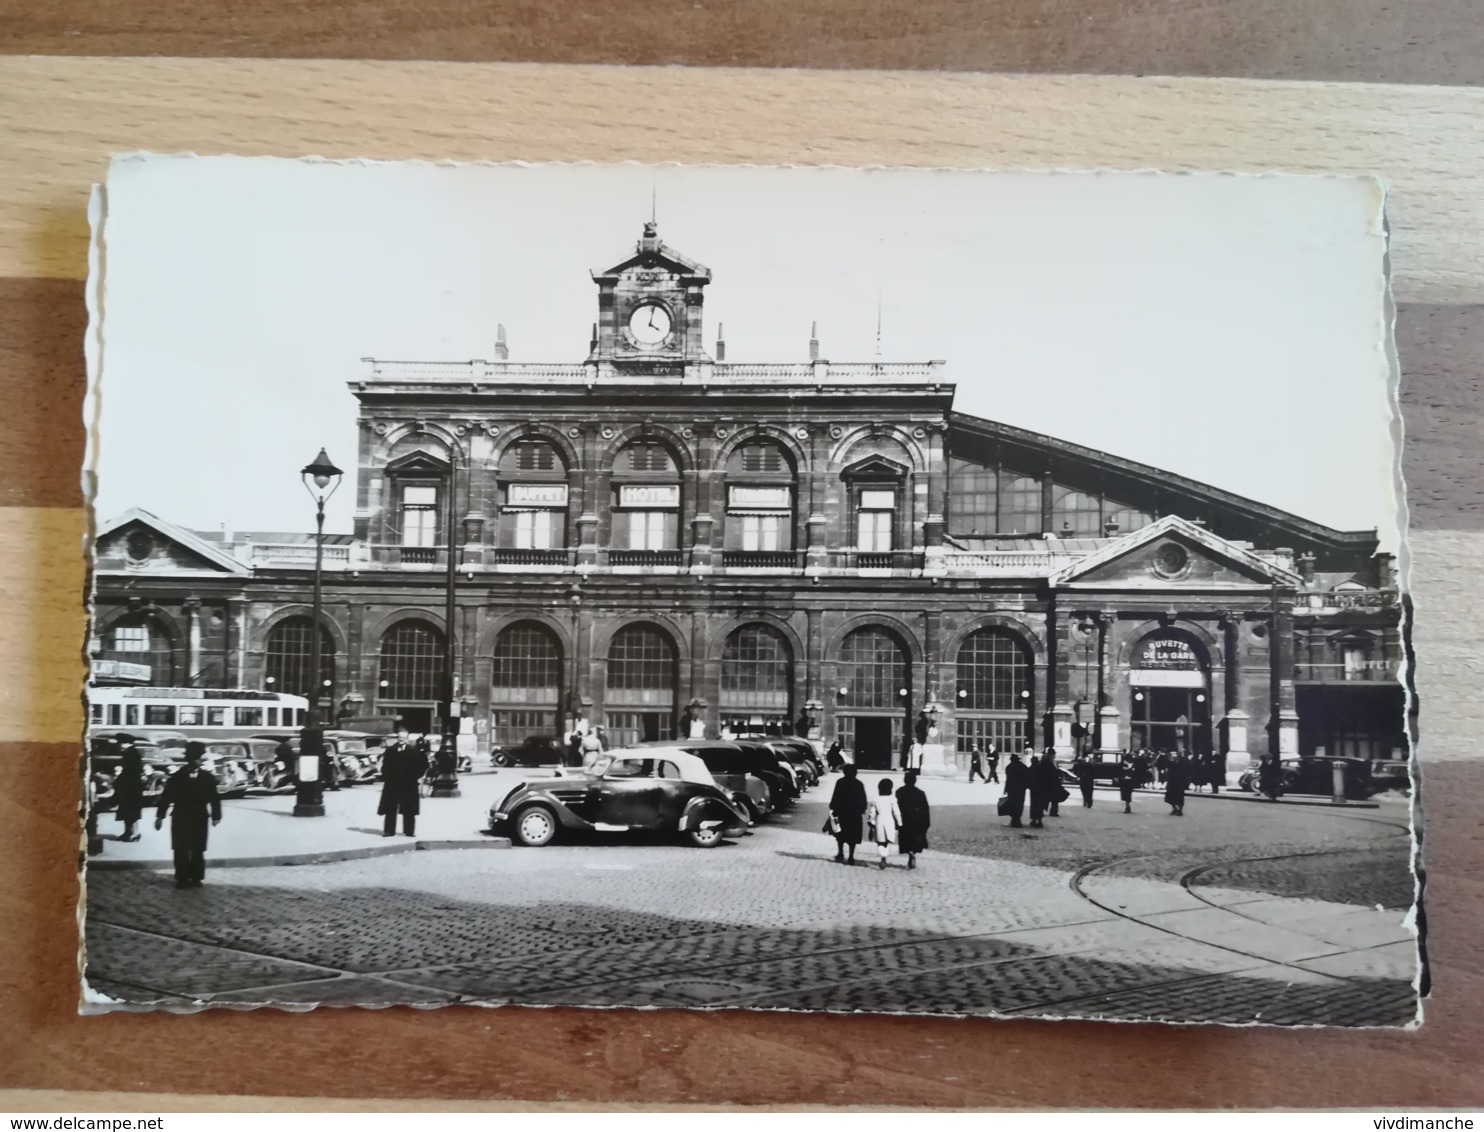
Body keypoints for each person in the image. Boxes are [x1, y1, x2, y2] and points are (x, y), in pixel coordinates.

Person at [154, 741, 221, 888]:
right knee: (180, 848)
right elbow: (166, 796)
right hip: (181, 817)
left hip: (200, 817)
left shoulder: (207, 778)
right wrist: (160, 816)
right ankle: (182, 878)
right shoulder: (178, 777)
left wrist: (216, 816)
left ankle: (197, 877)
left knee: (198, 848)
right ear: (188, 760)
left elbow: (214, 798)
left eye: (199, 759)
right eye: (194, 759)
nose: (197, 762)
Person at [378, 728, 428, 837]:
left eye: (403, 738)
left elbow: (422, 765)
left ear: (407, 739)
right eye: (399, 738)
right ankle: (389, 831)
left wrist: (416, 777)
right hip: (393, 783)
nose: (401, 740)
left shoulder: (413, 751)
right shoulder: (390, 750)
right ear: (397, 738)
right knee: (390, 807)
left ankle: (409, 831)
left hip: (409, 783)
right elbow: (385, 766)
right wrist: (386, 777)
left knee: (409, 808)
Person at [827, 763, 868, 864]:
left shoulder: (840, 782)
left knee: (840, 833)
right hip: (855, 813)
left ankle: (840, 852)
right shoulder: (859, 784)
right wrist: (862, 809)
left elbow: (835, 796)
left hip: (842, 812)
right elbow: (862, 798)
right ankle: (851, 856)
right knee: (853, 836)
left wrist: (833, 807)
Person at [896, 770, 930, 870]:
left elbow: (897, 807)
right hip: (917, 820)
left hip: (904, 819)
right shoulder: (920, 793)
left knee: (905, 839)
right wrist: (926, 823)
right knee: (915, 839)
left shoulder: (899, 792)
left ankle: (909, 852)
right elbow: (925, 809)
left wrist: (896, 822)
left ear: (904, 780)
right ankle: (913, 853)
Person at [113, 734, 145, 842]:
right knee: (128, 811)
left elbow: (130, 772)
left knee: (132, 811)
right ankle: (128, 832)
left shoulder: (130, 754)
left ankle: (134, 833)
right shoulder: (132, 753)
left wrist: (119, 781)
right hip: (132, 786)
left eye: (120, 742)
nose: (119, 745)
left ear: (126, 743)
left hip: (131, 787)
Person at [869, 777, 902, 870]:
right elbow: (896, 812)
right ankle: (884, 856)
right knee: (886, 841)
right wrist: (899, 822)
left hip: (879, 821)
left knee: (880, 841)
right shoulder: (892, 799)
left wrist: (871, 822)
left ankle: (883, 857)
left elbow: (872, 812)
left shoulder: (876, 799)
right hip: (889, 821)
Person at [1002, 749, 1028, 828]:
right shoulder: (1023, 766)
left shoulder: (1009, 767)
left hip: (1012, 789)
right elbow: (1027, 777)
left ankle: (1014, 819)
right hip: (1021, 788)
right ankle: (1018, 819)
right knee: (1020, 803)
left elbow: (1008, 779)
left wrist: (1005, 789)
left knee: (1013, 803)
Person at [1164, 749, 1191, 816]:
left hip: (1179, 782)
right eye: (1172, 756)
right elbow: (1168, 772)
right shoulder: (1170, 763)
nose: (1173, 757)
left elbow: (1185, 772)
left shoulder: (1182, 762)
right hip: (1172, 782)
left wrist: (1185, 782)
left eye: (1174, 756)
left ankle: (1180, 810)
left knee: (1180, 797)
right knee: (1169, 797)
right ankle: (1174, 808)